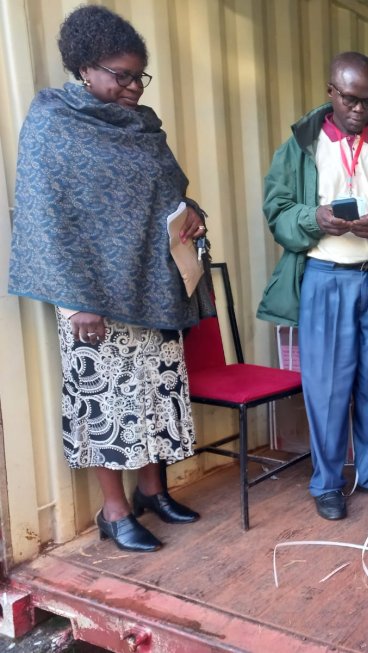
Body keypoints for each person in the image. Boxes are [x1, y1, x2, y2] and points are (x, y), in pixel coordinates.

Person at [8, 5, 212, 553]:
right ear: (85, 68)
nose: (133, 87)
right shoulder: (53, 124)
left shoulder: (143, 128)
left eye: (139, 76)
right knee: (105, 403)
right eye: (121, 75)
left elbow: (167, 190)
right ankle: (114, 510)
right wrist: (76, 302)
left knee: (151, 392)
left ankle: (151, 491)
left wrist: (188, 208)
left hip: (149, 285)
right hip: (89, 294)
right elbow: (42, 214)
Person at [257, 52, 368, 521]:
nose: (359, 110)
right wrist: (315, 218)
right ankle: (327, 483)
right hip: (323, 280)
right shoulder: (301, 144)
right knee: (326, 390)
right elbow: (277, 210)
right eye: (350, 99)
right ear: (331, 92)